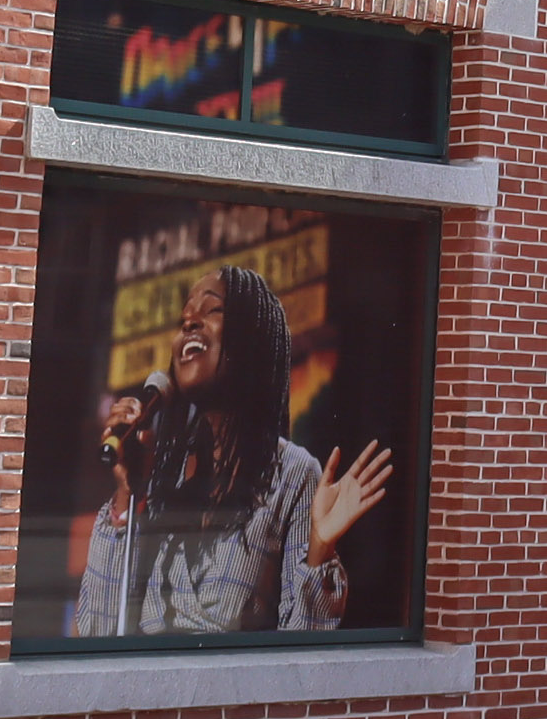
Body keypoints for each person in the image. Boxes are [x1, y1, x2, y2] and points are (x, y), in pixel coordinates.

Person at [69, 263, 395, 638]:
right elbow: (99, 632)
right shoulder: (160, 476)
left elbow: (301, 651)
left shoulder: (292, 473)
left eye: (211, 311)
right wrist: (128, 493)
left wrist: (320, 549)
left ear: (251, 338)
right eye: (184, 319)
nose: (190, 324)